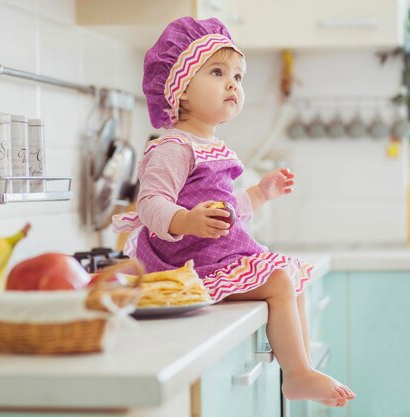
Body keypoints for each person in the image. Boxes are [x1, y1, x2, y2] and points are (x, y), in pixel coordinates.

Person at [112, 17, 355, 407]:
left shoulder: (215, 147)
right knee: (279, 281)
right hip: (188, 262)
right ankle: (298, 375)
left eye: (238, 77)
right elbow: (151, 204)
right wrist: (187, 220)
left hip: (216, 254)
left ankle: (300, 370)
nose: (232, 84)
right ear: (181, 91)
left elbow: (228, 211)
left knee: (291, 276)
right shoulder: (174, 147)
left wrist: (259, 193)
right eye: (217, 72)